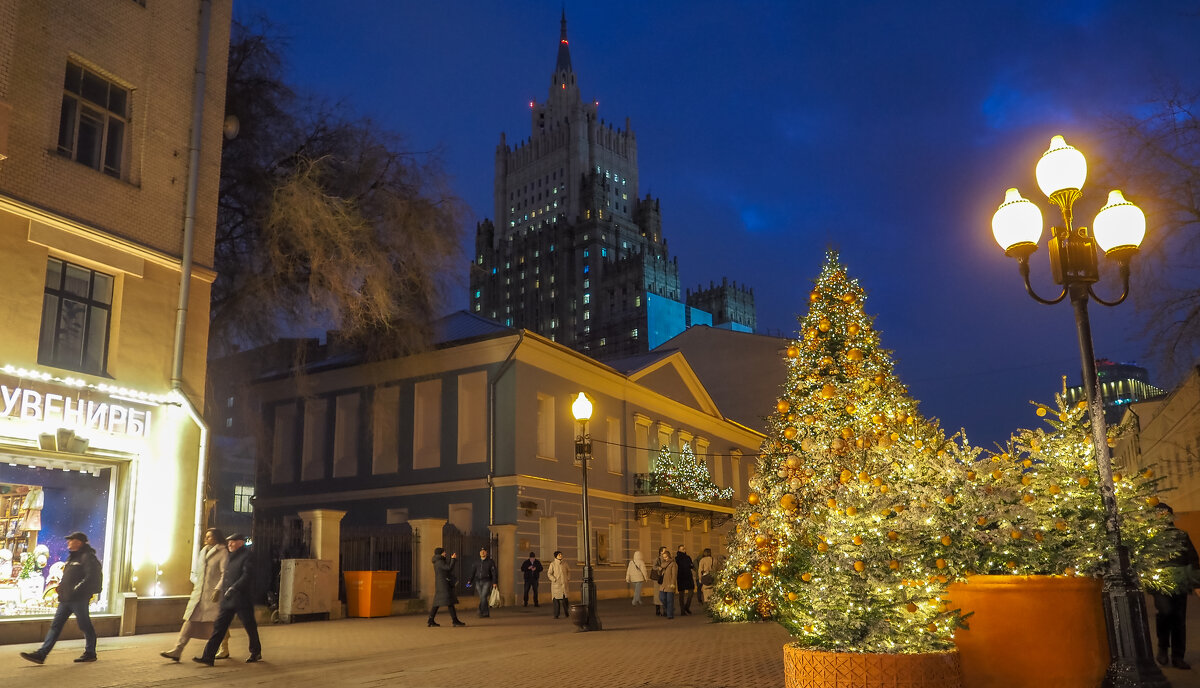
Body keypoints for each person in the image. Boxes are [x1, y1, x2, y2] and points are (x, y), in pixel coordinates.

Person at [19, 531, 102, 664]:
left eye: (71, 540)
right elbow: (68, 577)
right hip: (66, 599)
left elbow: (91, 576)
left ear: (79, 542)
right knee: (55, 626)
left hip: (79, 599)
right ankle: (41, 654)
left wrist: (77, 589)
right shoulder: (72, 558)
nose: (68, 542)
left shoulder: (87, 557)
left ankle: (90, 652)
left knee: (85, 625)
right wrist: (61, 589)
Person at [161, 528, 230, 662]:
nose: (206, 538)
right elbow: (197, 573)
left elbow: (224, 574)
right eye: (206, 536)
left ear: (216, 538)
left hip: (212, 596)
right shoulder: (203, 552)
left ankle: (222, 649)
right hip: (199, 594)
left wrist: (218, 589)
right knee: (190, 621)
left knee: (216, 625)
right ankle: (177, 650)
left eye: (209, 536)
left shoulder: (222, 552)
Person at [193, 533, 261, 666]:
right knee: (219, 627)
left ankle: (256, 652)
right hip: (228, 599)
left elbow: (247, 575)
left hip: (242, 599)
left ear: (240, 543)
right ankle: (208, 656)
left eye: (232, 542)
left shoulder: (247, 556)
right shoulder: (230, 556)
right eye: (229, 542)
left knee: (250, 626)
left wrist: (234, 588)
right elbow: (226, 576)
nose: (229, 544)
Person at [1153, 503, 1200, 669]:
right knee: (1165, 613)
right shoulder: (1151, 537)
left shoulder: (1181, 535)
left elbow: (1193, 558)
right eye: (1159, 514)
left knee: (1179, 619)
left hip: (1180, 581)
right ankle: (1163, 648)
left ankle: (1178, 656)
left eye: (1165, 513)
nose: (1162, 517)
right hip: (1160, 583)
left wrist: (1196, 583)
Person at [428, 547, 466, 627]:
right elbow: (448, 568)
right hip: (444, 585)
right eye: (444, 552)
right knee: (450, 602)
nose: (445, 553)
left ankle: (431, 620)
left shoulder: (438, 561)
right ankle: (455, 621)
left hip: (441, 584)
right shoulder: (440, 561)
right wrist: (453, 559)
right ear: (440, 553)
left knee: (437, 603)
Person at [469, 547, 499, 617]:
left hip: (487, 581)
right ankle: (486, 613)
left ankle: (480, 611)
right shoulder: (476, 562)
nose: (482, 552)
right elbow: (472, 572)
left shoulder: (490, 562)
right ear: (479, 553)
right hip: (478, 581)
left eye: (484, 551)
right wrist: (469, 582)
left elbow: (494, 572)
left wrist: (495, 582)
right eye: (481, 551)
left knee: (483, 596)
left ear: (486, 552)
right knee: (483, 598)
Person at [547, 550, 570, 618]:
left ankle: (566, 613)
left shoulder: (565, 563)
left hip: (564, 585)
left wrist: (568, 578)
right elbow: (549, 574)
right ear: (556, 556)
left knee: (565, 600)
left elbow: (568, 571)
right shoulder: (553, 564)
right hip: (556, 585)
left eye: (561, 554)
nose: (561, 555)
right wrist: (554, 579)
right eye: (559, 554)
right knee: (556, 601)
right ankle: (556, 614)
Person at [657, 547, 678, 619]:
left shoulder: (673, 564)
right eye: (664, 557)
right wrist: (659, 570)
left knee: (669, 600)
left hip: (669, 584)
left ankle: (670, 615)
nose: (665, 558)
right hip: (663, 584)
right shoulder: (662, 564)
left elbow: (674, 575)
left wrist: (673, 583)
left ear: (669, 556)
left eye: (666, 557)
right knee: (662, 598)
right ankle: (670, 609)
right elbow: (659, 573)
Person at [675, 545, 695, 616]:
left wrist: (691, 566)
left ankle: (686, 607)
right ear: (679, 550)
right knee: (681, 594)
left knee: (691, 592)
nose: (684, 550)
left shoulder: (688, 557)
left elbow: (691, 565)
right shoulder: (677, 558)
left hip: (688, 576)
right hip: (681, 576)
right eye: (682, 549)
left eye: (684, 548)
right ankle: (682, 610)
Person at [653, 546, 669, 616]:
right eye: (664, 551)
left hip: (665, 578)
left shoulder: (667, 559)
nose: (665, 552)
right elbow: (654, 567)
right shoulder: (657, 559)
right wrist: (659, 568)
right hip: (658, 579)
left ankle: (665, 611)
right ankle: (658, 611)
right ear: (660, 552)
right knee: (658, 595)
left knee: (664, 594)